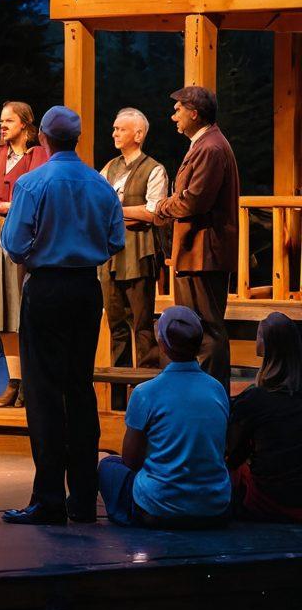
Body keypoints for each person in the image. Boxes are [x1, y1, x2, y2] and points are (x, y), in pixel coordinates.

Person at [0, 106, 124, 526]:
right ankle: (84, 499)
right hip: (87, 288)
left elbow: (14, 244)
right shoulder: (100, 184)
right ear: (77, 138)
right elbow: (115, 240)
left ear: (46, 141)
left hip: (48, 287)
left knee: (45, 393)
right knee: (80, 388)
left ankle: (50, 499)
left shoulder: (32, 183)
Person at [125, 86, 239, 391]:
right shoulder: (203, 145)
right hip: (195, 252)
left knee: (207, 330)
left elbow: (193, 201)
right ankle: (199, 396)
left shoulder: (211, 148)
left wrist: (161, 206)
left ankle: (213, 399)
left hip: (204, 253)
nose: (173, 115)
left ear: (194, 113)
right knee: (197, 328)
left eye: (178, 110)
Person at [98, 305, 230, 527]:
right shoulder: (217, 389)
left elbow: (130, 460)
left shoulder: (145, 393)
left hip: (159, 506)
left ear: (163, 345)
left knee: (107, 465)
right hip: (213, 506)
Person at [0, 101, 47, 407]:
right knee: (4, 309)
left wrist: (3, 206)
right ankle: (14, 381)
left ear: (25, 125)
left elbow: (37, 196)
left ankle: (33, 381)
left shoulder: (38, 155)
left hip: (24, 233)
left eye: (9, 121)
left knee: (24, 308)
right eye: (1, 121)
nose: (2, 125)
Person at [99, 109, 166, 402]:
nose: (114, 133)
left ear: (138, 135)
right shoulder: (108, 168)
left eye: (120, 129)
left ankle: (146, 394)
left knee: (141, 325)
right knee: (116, 326)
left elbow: (152, 213)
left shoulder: (154, 169)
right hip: (111, 256)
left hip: (139, 254)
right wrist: (127, 214)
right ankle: (117, 398)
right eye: (114, 129)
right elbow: (97, 206)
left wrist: (116, 212)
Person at [227, 311, 302, 521]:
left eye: (258, 335)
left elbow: (233, 453)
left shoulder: (255, 400)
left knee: (233, 467)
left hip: (270, 500)